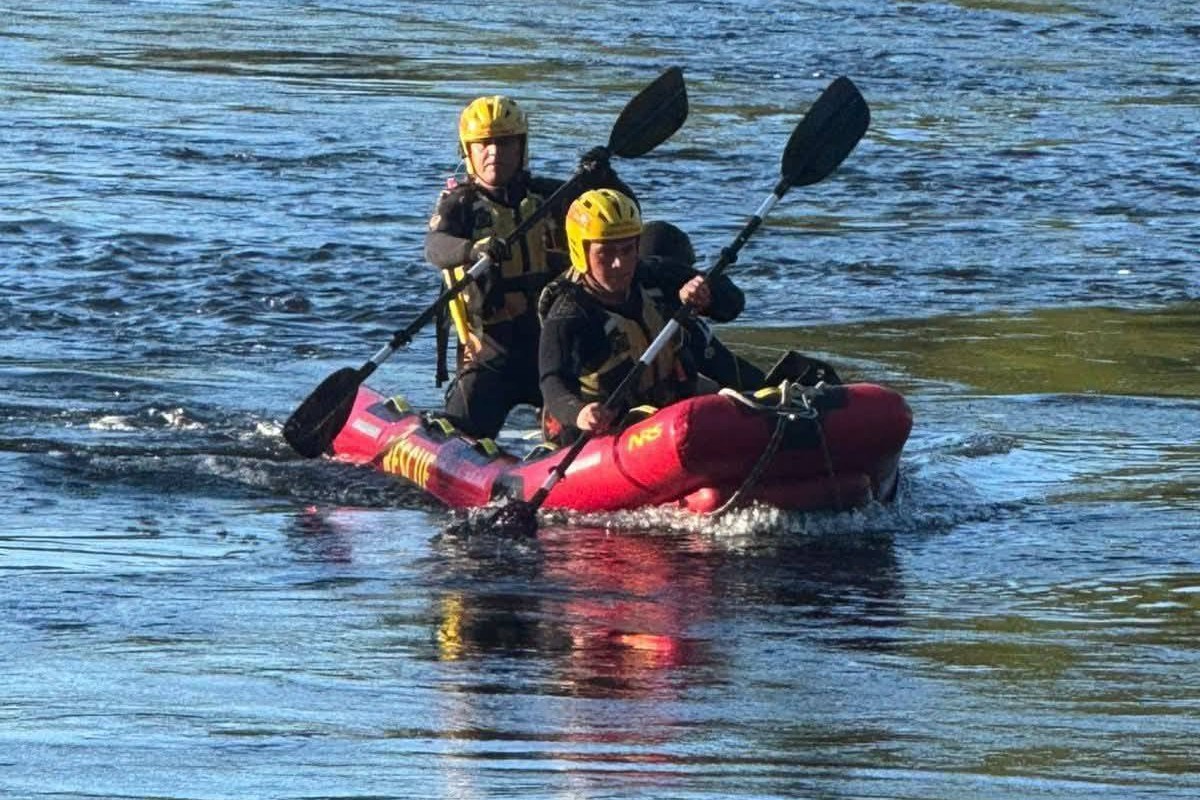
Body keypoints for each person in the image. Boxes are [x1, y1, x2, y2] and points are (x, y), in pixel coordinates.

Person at [424, 95, 632, 440]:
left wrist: (607, 181)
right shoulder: (459, 204)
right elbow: (435, 246)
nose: (495, 152)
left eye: (505, 142)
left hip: (554, 353)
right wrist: (473, 250)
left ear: (522, 147)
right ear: (468, 151)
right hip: (492, 354)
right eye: (484, 144)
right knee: (459, 435)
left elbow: (622, 221)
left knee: (582, 429)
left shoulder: (553, 196)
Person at [538, 189, 735, 445]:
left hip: (667, 410)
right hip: (607, 429)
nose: (619, 263)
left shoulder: (653, 275)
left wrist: (706, 295)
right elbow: (552, 380)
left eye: (627, 250)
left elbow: (733, 301)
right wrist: (579, 413)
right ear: (581, 252)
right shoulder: (568, 312)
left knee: (737, 393)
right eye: (606, 253)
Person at [638, 220, 767, 391]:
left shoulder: (675, 278)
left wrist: (705, 295)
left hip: (735, 380)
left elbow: (733, 301)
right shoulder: (640, 286)